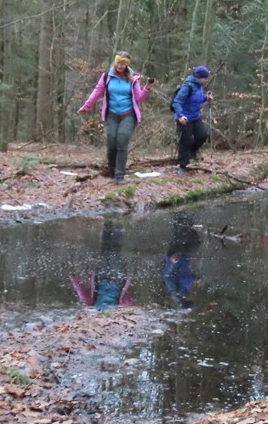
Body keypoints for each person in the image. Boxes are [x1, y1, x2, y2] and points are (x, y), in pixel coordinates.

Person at [77, 51, 154, 183]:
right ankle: (112, 171)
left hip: (128, 114)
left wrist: (147, 88)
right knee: (112, 143)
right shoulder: (107, 76)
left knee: (122, 142)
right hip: (112, 114)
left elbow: (139, 98)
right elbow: (97, 92)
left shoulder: (133, 78)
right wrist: (86, 106)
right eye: (118, 63)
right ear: (115, 62)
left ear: (127, 65)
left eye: (123, 64)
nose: (120, 66)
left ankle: (120, 175)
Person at [71, 219, 132, 309]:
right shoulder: (119, 311)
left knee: (105, 251)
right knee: (115, 253)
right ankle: (118, 226)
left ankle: (108, 225)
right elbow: (128, 301)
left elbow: (83, 296)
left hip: (101, 278)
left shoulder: (92, 310)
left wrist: (76, 282)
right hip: (116, 281)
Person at [172, 65, 214, 175]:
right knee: (185, 142)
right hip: (184, 118)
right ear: (199, 77)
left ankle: (193, 151)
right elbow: (177, 102)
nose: (206, 80)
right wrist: (181, 115)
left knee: (202, 135)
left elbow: (197, 99)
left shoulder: (199, 86)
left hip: (195, 116)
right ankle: (182, 167)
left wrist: (206, 98)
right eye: (205, 78)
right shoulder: (188, 86)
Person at [162, 212, 200, 308]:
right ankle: (188, 218)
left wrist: (171, 262)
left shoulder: (175, 290)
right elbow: (186, 276)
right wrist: (195, 278)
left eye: (191, 300)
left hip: (175, 258)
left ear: (186, 300)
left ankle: (179, 216)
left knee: (181, 237)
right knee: (194, 242)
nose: (193, 297)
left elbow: (167, 276)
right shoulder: (185, 291)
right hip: (185, 257)